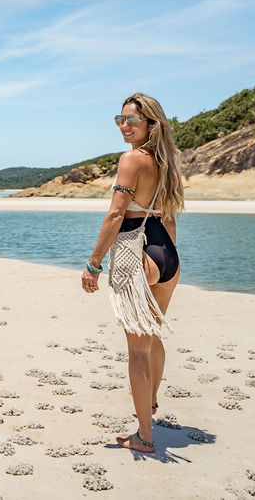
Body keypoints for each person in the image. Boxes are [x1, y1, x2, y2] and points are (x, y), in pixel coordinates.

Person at [81, 92, 185, 454]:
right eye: (120, 119)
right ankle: (150, 407)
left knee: (137, 349)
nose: (124, 126)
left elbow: (115, 215)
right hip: (165, 252)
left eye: (133, 120)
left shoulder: (131, 160)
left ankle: (144, 435)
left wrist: (93, 264)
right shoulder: (165, 161)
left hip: (138, 251)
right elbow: (168, 215)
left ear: (151, 125)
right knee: (153, 338)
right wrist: (168, 256)